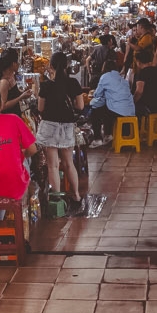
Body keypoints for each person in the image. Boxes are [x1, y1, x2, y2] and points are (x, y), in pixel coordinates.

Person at [36, 52, 89, 212]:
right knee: (68, 163)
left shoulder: (45, 86)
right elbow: (80, 106)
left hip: (49, 127)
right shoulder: (73, 84)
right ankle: (76, 195)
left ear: (51, 66)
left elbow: (40, 109)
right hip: (66, 127)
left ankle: (57, 198)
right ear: (66, 66)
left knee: (53, 165)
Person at [87, 55, 136, 143]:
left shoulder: (105, 77)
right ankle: (108, 135)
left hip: (118, 110)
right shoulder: (122, 78)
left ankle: (97, 139)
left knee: (96, 111)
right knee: (107, 108)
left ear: (104, 68)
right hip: (130, 110)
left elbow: (97, 94)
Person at [0, 49, 26, 121]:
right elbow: (3, 106)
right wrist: (21, 97)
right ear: (13, 64)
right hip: (8, 120)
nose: (19, 64)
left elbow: (13, 95)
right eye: (18, 62)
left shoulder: (11, 77)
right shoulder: (4, 82)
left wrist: (24, 92)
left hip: (15, 118)